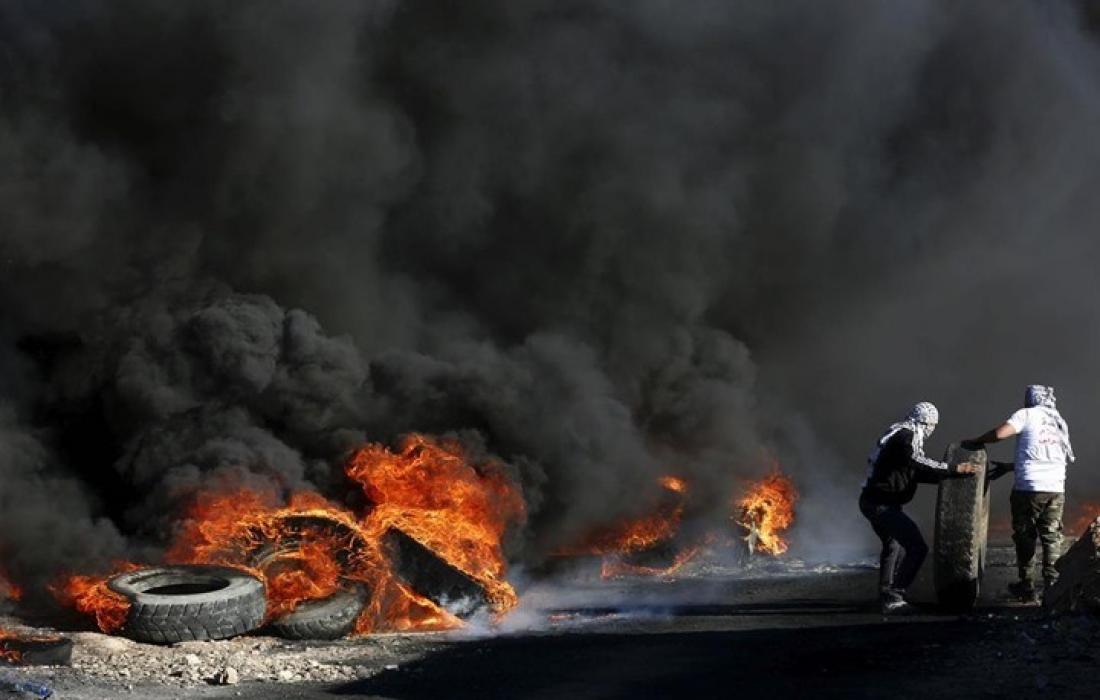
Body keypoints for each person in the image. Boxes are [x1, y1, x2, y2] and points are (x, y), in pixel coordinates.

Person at [861, 401, 978, 614]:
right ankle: (894, 596)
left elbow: (913, 472)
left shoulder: (897, 433)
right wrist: (954, 468)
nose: (932, 430)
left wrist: (947, 479)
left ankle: (886, 594)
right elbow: (917, 461)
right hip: (881, 505)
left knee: (892, 545)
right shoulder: (908, 436)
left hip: (872, 501)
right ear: (926, 423)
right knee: (917, 547)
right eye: (932, 425)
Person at [966, 384, 1074, 602]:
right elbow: (1044, 457)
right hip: (1055, 488)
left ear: (1031, 398)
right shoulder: (1058, 421)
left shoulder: (1027, 415)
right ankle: (1053, 589)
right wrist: (1009, 467)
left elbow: (999, 434)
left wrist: (977, 441)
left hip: (1028, 489)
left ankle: (1027, 587)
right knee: (1051, 538)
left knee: (1025, 537)